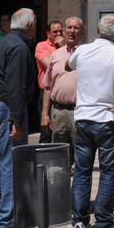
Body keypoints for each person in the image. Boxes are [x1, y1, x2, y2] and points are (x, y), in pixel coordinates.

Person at [67, 13, 114, 228]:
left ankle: (79, 222)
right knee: (107, 173)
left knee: (82, 172)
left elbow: (69, 65)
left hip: (83, 119)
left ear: (97, 31)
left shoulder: (83, 50)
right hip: (106, 120)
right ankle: (103, 224)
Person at [0, 6, 37, 228]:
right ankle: (8, 217)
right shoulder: (18, 46)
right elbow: (15, 86)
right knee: (10, 162)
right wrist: (16, 120)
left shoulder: (4, 41)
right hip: (6, 106)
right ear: (29, 25)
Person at [42, 16, 83, 145]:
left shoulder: (86, 54)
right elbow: (47, 87)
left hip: (79, 111)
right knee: (59, 155)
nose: (72, 31)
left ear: (82, 31)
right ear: (65, 30)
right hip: (58, 113)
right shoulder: (55, 55)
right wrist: (44, 114)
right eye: (69, 27)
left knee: (80, 153)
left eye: (76, 28)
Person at [35, 19, 64, 138]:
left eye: (60, 31)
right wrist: (62, 50)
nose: (58, 34)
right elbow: (49, 65)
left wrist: (63, 46)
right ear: (48, 33)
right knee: (46, 130)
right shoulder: (41, 46)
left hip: (61, 93)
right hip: (46, 92)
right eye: (55, 32)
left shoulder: (67, 46)